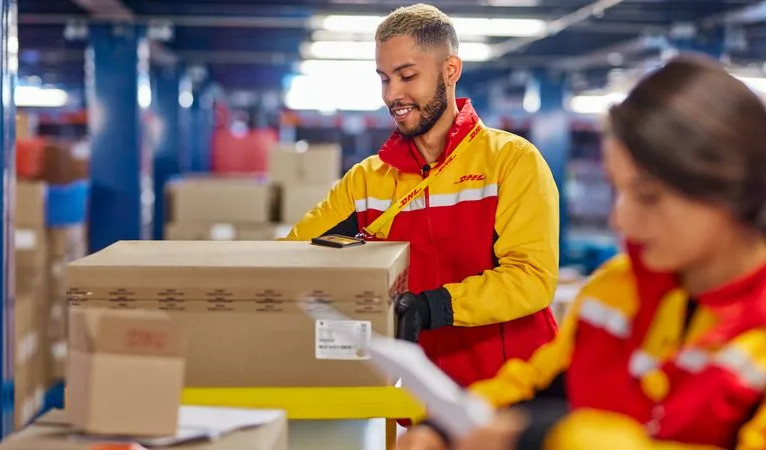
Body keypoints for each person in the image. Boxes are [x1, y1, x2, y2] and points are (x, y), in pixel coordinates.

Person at [397, 54, 766, 449]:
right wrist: (447, 428)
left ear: (728, 190)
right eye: (617, 189)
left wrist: (558, 438)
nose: (621, 219)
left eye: (648, 197)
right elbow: (538, 383)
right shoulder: (616, 290)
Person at [283, 3, 560, 394]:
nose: (393, 94)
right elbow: (288, 259)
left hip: (517, 393)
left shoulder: (511, 162)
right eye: (383, 79)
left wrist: (435, 307)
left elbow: (532, 279)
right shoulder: (367, 182)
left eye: (407, 76)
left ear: (450, 71)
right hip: (427, 393)